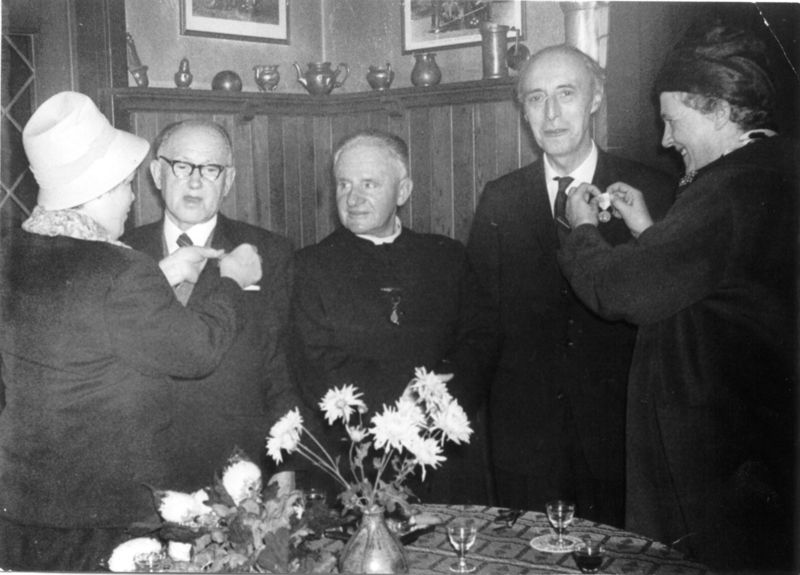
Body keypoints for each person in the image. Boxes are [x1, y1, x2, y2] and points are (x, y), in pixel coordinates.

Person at [558, 23, 796, 570]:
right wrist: (650, 232)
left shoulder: (732, 187)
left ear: (719, 110)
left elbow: (623, 291)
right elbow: (711, 286)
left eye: (673, 121)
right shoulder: (770, 170)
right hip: (754, 445)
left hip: (720, 461)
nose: (666, 140)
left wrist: (581, 231)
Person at [0, 92, 262, 570]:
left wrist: (160, 274)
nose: (133, 197)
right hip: (104, 513)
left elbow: (80, 318)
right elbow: (197, 352)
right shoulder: (121, 271)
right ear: (100, 189)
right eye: (124, 185)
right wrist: (231, 281)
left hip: (23, 505)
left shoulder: (14, 253)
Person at [466, 44, 674, 526]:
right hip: (525, 440)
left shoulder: (650, 191)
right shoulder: (500, 199)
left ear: (595, 98)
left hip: (621, 434)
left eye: (566, 93)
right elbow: (480, 320)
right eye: (536, 98)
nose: (552, 113)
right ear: (523, 111)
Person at [291, 129, 499, 504]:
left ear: (403, 191)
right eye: (343, 184)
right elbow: (315, 362)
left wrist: (437, 397)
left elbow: (480, 339)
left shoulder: (446, 257)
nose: (352, 198)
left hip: (444, 451)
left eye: (369, 184)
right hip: (357, 459)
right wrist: (400, 400)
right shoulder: (309, 267)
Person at [123, 119, 298, 489]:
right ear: (157, 173)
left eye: (210, 169)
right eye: (182, 166)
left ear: (228, 180)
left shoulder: (269, 252)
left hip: (236, 465)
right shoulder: (122, 254)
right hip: (141, 465)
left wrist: (286, 464)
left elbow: (281, 368)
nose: (195, 182)